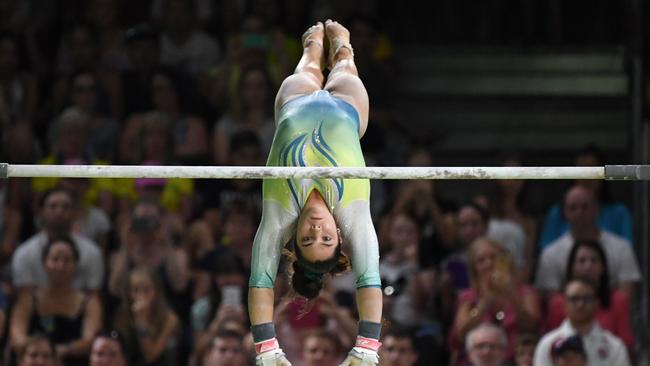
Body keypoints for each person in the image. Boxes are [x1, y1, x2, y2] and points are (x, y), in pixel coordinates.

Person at [247, 20, 382, 366]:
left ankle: (312, 48)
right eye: (326, 239)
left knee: (308, 64)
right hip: (349, 110)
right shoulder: (353, 214)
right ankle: (343, 50)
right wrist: (367, 346)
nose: (317, 231)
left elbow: (261, 278)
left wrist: (266, 347)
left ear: (293, 240)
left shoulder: (281, 213)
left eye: (307, 240)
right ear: (340, 235)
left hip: (293, 104)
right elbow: (368, 279)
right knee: (345, 69)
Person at [10, 236, 103, 366]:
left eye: (67, 260)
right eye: (55, 259)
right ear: (44, 263)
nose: (60, 265)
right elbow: (17, 337)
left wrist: (59, 352)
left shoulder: (89, 302)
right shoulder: (28, 299)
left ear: (75, 265)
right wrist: (38, 353)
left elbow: (90, 340)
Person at [535, 185, 640, 299]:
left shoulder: (622, 249)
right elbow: (554, 303)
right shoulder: (550, 254)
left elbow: (625, 299)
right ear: (565, 212)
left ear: (597, 209)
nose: (579, 212)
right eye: (573, 208)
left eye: (585, 207)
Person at [449, 238, 540, 365]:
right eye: (481, 260)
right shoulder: (467, 297)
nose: (489, 264)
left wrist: (511, 294)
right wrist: (483, 304)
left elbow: (532, 326)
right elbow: (461, 334)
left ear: (505, 262)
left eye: (494, 257)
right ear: (474, 269)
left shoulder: (525, 292)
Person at [544, 240, 633, 349]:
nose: (588, 266)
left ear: (603, 267)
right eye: (582, 261)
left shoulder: (618, 301)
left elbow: (626, 346)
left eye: (594, 260)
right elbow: (552, 345)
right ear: (572, 268)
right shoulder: (558, 303)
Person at [533, 278, 630, 366]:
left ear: (597, 303)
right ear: (564, 303)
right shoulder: (547, 345)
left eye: (586, 299)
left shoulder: (615, 347)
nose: (580, 304)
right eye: (574, 299)